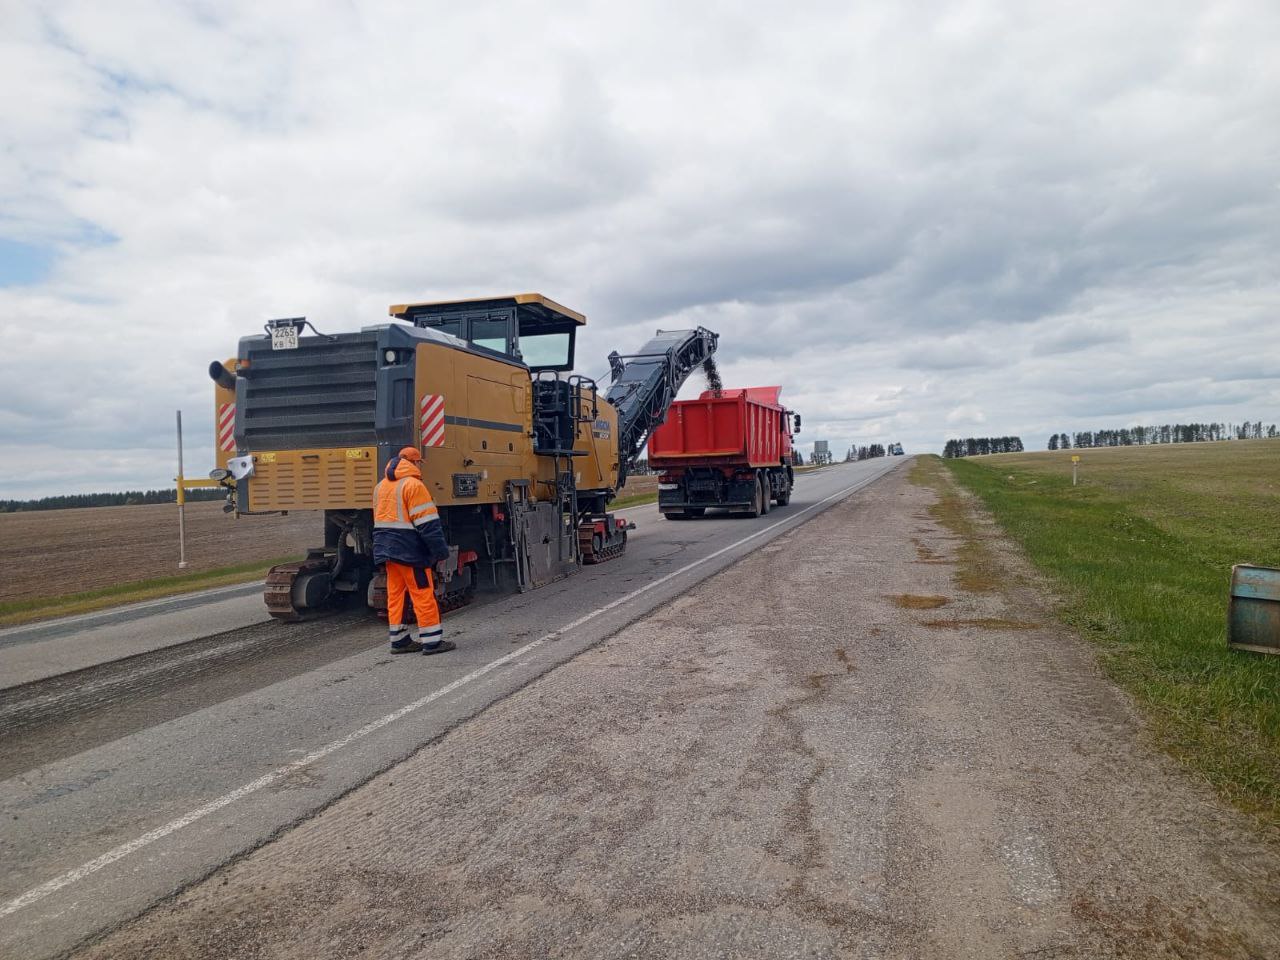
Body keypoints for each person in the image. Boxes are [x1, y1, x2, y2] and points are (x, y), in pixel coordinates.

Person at [372, 446, 455, 655]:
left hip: (387, 550)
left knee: (395, 595)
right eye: (419, 463)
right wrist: (440, 551)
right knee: (422, 593)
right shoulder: (414, 486)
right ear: (414, 462)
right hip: (410, 551)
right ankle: (432, 641)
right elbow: (428, 524)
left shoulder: (380, 486)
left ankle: (399, 641)